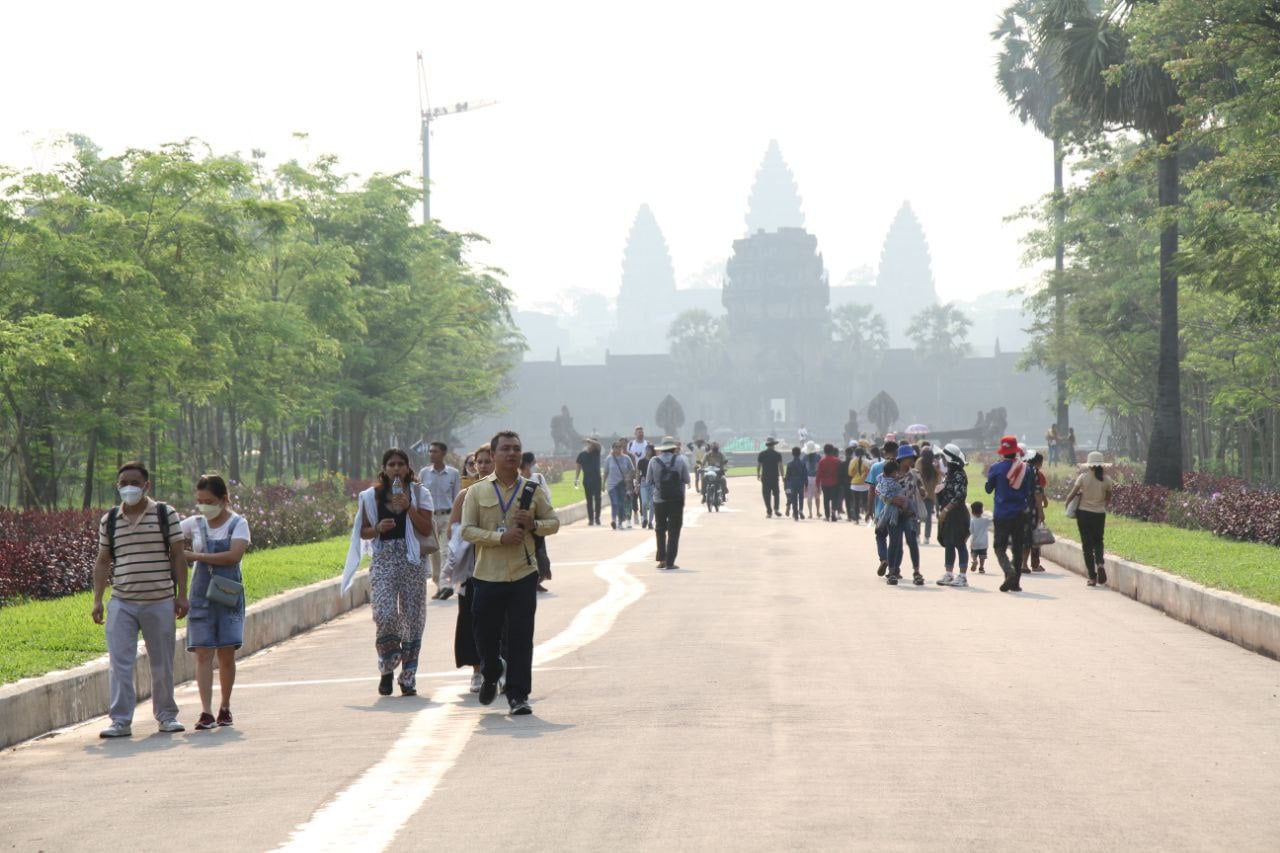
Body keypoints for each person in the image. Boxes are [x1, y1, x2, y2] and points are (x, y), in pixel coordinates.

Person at [462, 430, 560, 716]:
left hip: (523, 574)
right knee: (485, 635)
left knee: (520, 637)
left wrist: (533, 524)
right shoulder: (477, 492)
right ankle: (492, 671)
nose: (512, 453)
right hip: (487, 575)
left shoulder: (532, 490)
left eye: (516, 448)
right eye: (505, 449)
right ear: (493, 455)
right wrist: (498, 538)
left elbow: (553, 522)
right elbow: (466, 530)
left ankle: (518, 695)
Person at [92, 461, 188, 738]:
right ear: (117, 486)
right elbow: (103, 561)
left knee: (162, 662)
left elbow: (178, 555)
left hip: (160, 599)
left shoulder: (165, 514)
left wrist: (182, 595)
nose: (129, 488)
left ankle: (166, 716)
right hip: (122, 601)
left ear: (147, 485)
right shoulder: (110, 520)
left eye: (135, 483)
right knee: (120, 662)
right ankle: (120, 721)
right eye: (124, 483)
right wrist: (98, 600)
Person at [345, 448, 435, 696]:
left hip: (412, 559)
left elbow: (426, 528)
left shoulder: (420, 493)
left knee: (412, 617)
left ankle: (408, 676)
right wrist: (377, 528)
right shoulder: (370, 497)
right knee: (384, 613)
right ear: (384, 469)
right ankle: (387, 665)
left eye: (400, 464)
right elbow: (362, 532)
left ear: (407, 468)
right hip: (384, 559)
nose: (396, 468)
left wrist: (409, 507)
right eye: (391, 464)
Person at [181, 473, 250, 730]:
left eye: (209, 501)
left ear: (223, 499)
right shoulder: (194, 524)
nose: (203, 506)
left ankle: (225, 706)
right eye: (200, 501)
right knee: (202, 652)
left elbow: (233, 556)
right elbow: (169, 538)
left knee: (226, 653)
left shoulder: (238, 524)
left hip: (227, 595)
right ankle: (206, 711)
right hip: (200, 596)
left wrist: (196, 556)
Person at [442, 445, 495, 693]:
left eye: (487, 461)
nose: (482, 466)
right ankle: (477, 669)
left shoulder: (508, 494)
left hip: (501, 567)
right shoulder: (464, 495)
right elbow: (452, 530)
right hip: (472, 569)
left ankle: (499, 667)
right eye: (478, 462)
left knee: (501, 620)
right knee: (472, 618)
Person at [985, 435, 1036, 593]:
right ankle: (1015, 583)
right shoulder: (1025, 469)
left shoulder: (996, 468)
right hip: (1020, 513)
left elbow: (988, 489)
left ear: (1002, 451)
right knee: (1017, 548)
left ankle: (1009, 571)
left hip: (1002, 513)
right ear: (1016, 451)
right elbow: (1030, 490)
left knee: (999, 547)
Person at [1063, 451, 1116, 587]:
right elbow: (1108, 498)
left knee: (1087, 545)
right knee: (1098, 541)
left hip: (1084, 514)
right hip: (1099, 514)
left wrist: (1067, 504)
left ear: (1089, 464)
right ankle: (1100, 563)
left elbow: (1072, 494)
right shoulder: (1107, 480)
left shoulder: (1083, 477)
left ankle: (1092, 577)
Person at [420, 441, 460, 601]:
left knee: (445, 551)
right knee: (434, 554)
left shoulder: (453, 473)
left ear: (443, 454)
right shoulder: (424, 473)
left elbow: (457, 498)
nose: (431, 454)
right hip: (430, 517)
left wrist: (456, 520)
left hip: (447, 516)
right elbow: (420, 497)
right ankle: (439, 585)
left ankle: (445, 585)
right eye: (430, 451)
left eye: (435, 451)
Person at [647, 436, 691, 569]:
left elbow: (648, 481)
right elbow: (686, 479)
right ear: (673, 448)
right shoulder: (680, 460)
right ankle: (670, 562)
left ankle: (662, 559)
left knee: (660, 529)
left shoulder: (654, 461)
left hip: (659, 499)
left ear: (662, 448)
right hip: (676, 499)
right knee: (674, 530)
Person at [884, 445, 925, 586]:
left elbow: (921, 488)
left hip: (909, 513)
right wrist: (892, 500)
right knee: (894, 542)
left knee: (912, 542)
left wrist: (922, 491)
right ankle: (892, 572)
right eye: (909, 458)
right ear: (901, 459)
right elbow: (882, 493)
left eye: (912, 458)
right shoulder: (891, 474)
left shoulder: (915, 473)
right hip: (894, 513)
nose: (911, 460)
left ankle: (916, 572)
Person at [934, 444, 971, 587]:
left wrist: (945, 510)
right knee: (949, 543)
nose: (942, 461)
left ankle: (962, 576)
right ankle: (949, 573)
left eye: (944, 458)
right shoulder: (949, 475)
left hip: (957, 514)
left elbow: (959, 496)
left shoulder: (959, 475)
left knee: (960, 544)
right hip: (949, 514)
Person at [521, 451, 553, 593]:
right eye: (534, 461)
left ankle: (538, 578)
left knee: (540, 550)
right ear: (529, 463)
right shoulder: (517, 479)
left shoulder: (538, 478)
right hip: (522, 521)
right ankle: (530, 580)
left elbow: (547, 497)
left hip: (537, 521)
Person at [865, 440, 898, 576]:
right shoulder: (899, 466)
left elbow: (871, 490)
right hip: (896, 510)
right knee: (895, 540)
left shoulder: (876, 467)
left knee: (880, 536)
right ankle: (894, 567)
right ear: (896, 451)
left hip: (880, 510)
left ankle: (883, 559)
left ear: (884, 451)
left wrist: (869, 510)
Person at [1020, 450, 1049, 573]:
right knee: (1034, 536)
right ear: (1038, 463)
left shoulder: (1019, 470)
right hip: (1031, 508)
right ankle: (1033, 564)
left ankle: (1020, 563)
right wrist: (1041, 511)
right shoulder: (1036, 472)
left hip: (1017, 507)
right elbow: (1039, 492)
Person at [605, 440, 636, 530]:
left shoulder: (626, 458)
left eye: (620, 447)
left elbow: (632, 470)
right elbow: (606, 472)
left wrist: (628, 477)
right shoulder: (609, 459)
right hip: (612, 485)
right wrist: (603, 484)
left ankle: (620, 522)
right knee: (615, 503)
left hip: (622, 484)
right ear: (613, 448)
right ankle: (613, 520)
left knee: (621, 504)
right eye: (616, 447)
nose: (618, 449)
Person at [574, 437, 604, 526]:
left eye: (594, 444)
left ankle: (597, 518)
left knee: (598, 499)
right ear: (588, 445)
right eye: (592, 444)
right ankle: (591, 519)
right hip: (587, 480)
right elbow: (578, 466)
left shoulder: (596, 452)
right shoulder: (582, 455)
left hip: (597, 479)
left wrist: (589, 440)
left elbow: (599, 445)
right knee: (589, 500)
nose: (593, 446)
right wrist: (576, 478)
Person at [916, 445, 941, 545]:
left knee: (917, 515)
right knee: (928, 517)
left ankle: (917, 536)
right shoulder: (934, 464)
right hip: (930, 494)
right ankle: (927, 537)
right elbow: (939, 478)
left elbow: (916, 475)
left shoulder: (919, 462)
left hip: (920, 493)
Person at [756, 437, 784, 518]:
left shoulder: (762, 454)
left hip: (765, 477)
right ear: (773, 445)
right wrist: (782, 476)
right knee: (776, 494)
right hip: (774, 477)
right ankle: (776, 509)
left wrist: (758, 474)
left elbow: (759, 465)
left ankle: (769, 511)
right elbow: (780, 466)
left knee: (766, 495)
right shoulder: (777, 454)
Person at [816, 444, 843, 522]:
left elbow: (819, 474)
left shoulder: (821, 461)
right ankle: (833, 511)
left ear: (824, 451)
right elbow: (840, 472)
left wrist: (817, 485)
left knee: (826, 499)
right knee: (835, 498)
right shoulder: (837, 461)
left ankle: (827, 516)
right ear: (832, 451)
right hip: (835, 483)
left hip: (825, 483)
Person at [847, 446, 870, 524]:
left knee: (856, 503)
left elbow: (850, 473)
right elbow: (869, 472)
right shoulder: (867, 461)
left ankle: (856, 520)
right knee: (865, 502)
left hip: (855, 484)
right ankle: (868, 519)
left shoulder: (852, 461)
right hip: (865, 484)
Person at [784, 446, 807, 520]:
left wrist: (787, 485)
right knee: (801, 497)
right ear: (800, 454)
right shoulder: (803, 463)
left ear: (792, 454)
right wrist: (806, 484)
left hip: (792, 483)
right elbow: (805, 474)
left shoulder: (789, 464)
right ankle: (800, 510)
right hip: (800, 482)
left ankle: (795, 514)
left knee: (794, 498)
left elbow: (787, 476)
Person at [637, 443, 656, 529]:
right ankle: (645, 519)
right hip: (643, 484)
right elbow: (638, 473)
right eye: (646, 449)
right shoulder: (641, 461)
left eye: (649, 450)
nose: (647, 451)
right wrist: (637, 484)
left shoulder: (655, 461)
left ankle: (650, 522)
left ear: (652, 451)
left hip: (653, 484)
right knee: (644, 503)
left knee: (652, 504)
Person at [969, 502, 990, 574]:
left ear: (972, 512)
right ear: (982, 511)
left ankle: (974, 560)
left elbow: (971, 531)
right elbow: (993, 520)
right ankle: (981, 567)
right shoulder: (986, 520)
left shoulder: (972, 521)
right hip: (984, 543)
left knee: (973, 553)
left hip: (974, 542)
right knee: (982, 556)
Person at [802, 441, 821, 519]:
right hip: (816, 477)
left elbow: (803, 468)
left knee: (809, 497)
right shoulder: (818, 456)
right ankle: (818, 512)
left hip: (808, 478)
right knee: (817, 496)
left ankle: (810, 513)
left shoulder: (805, 457)